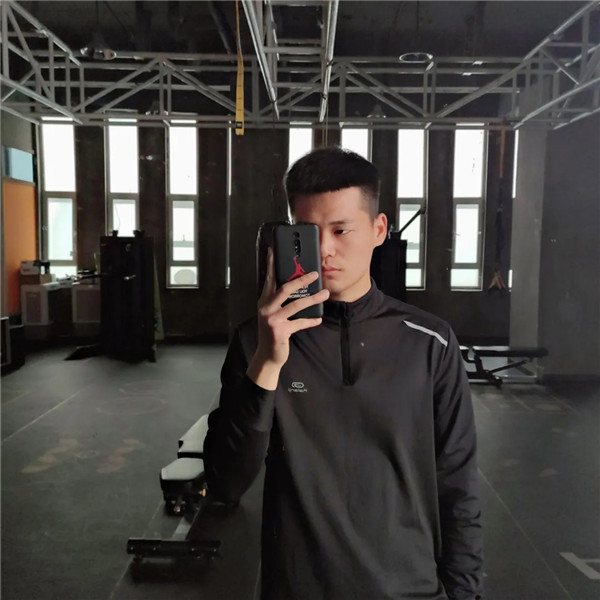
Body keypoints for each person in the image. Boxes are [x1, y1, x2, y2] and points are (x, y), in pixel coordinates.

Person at [204, 147, 484, 600]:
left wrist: (465, 594)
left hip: (410, 589)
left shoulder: (430, 342)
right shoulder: (257, 341)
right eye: (308, 234)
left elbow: (458, 484)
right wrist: (268, 362)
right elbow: (225, 482)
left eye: (341, 230)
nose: (325, 250)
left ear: (379, 230)